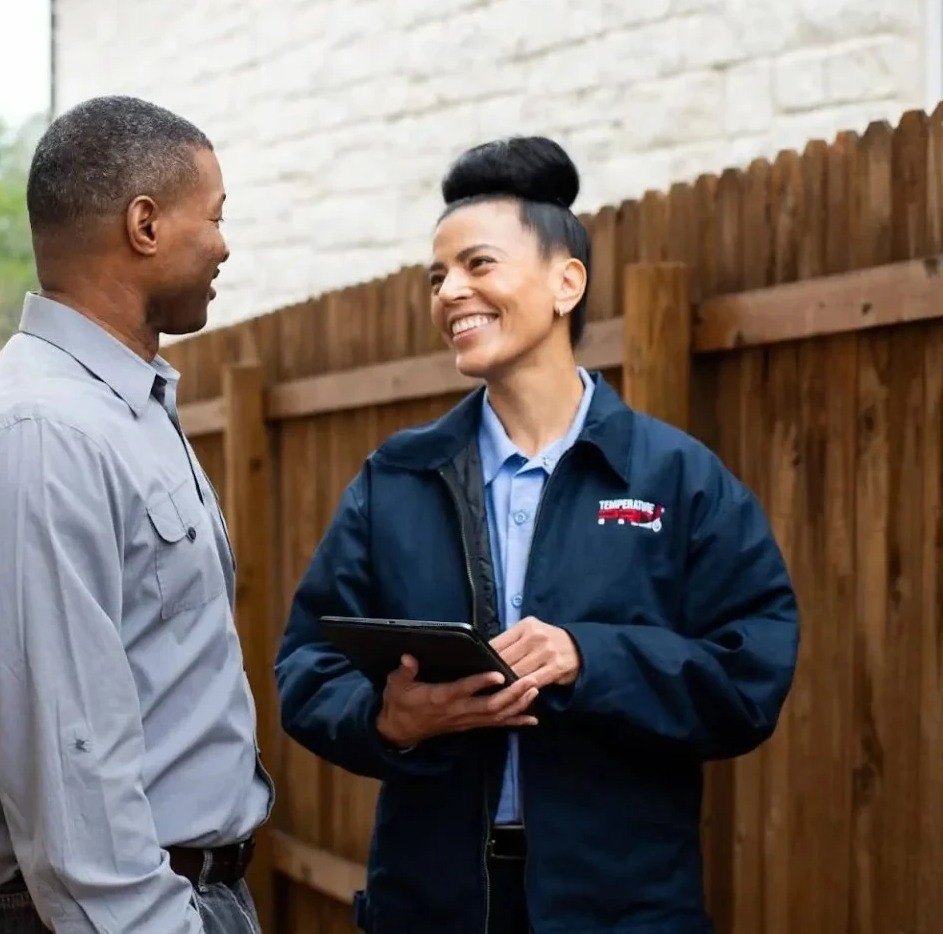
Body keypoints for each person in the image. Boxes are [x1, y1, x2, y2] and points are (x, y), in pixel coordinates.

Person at [273, 136, 800, 934]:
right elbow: (305, 668)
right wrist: (387, 719)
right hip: (433, 906)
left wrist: (592, 656)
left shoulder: (674, 478)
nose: (451, 291)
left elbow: (753, 670)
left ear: (566, 281)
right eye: (437, 275)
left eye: (478, 265)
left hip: (622, 912)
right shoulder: (395, 480)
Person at [0, 95, 274, 934]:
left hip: (182, 896)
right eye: (214, 217)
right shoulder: (42, 435)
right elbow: (68, 769)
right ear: (144, 224)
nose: (224, 243)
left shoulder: (120, 407)